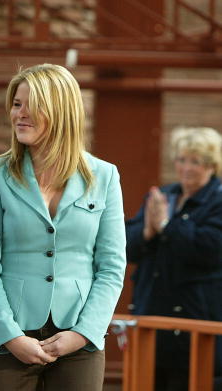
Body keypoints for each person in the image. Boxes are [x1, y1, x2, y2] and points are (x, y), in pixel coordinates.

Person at [0, 63, 126, 391]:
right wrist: (10, 335)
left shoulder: (105, 176)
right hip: (9, 338)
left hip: (79, 340)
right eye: (16, 104)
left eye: (31, 105)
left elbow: (111, 267)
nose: (20, 114)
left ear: (61, 111)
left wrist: (84, 333)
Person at [126, 126, 222, 391]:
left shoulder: (217, 201)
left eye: (196, 161)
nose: (186, 168)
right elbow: (126, 248)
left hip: (195, 322)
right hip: (150, 316)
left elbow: (210, 249)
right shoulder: (163, 196)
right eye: (182, 160)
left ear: (212, 165)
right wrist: (147, 231)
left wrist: (167, 225)